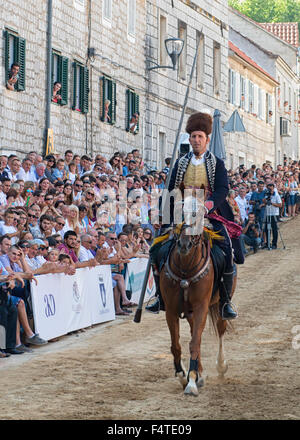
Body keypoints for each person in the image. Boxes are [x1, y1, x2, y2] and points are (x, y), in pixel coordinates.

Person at [146, 111, 243, 319]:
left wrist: (208, 204)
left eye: (200, 137)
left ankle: (225, 301)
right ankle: (159, 297)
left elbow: (222, 189)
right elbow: (170, 190)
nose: (196, 140)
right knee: (156, 249)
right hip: (181, 215)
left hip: (209, 214)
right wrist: (161, 216)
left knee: (226, 250)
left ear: (207, 139)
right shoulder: (180, 163)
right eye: (193, 137)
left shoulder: (217, 163)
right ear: (189, 139)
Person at [262, 183, 282, 249]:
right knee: (267, 229)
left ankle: (274, 244)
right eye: (268, 187)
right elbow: (265, 203)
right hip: (267, 213)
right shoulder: (266, 195)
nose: (269, 189)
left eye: (271, 187)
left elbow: (280, 205)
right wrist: (264, 201)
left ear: (273, 188)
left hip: (274, 214)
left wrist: (272, 203)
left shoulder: (276, 195)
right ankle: (268, 243)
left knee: (274, 229)